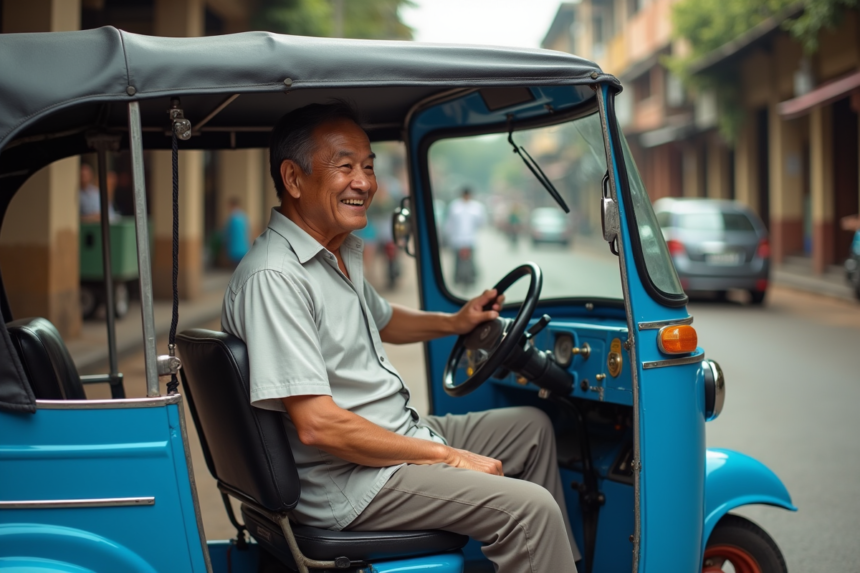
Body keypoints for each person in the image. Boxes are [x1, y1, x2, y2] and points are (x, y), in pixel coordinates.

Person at [221, 102, 580, 572]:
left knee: (530, 430)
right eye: (345, 166)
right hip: (349, 482)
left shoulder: (333, 254)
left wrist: (455, 322)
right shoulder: (276, 278)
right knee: (530, 510)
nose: (365, 183)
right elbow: (318, 425)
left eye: (368, 167)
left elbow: (384, 319)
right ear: (293, 179)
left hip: (389, 438)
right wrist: (445, 456)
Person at [445, 187, 486, 285]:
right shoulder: (454, 206)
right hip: (457, 239)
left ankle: (471, 278)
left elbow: (481, 222)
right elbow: (449, 223)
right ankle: (457, 279)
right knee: (457, 261)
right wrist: (448, 236)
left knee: (470, 260)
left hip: (470, 239)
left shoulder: (477, 207)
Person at [223, 197, 251, 266]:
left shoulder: (232, 218)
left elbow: (227, 234)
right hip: (244, 249)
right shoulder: (244, 216)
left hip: (234, 250)